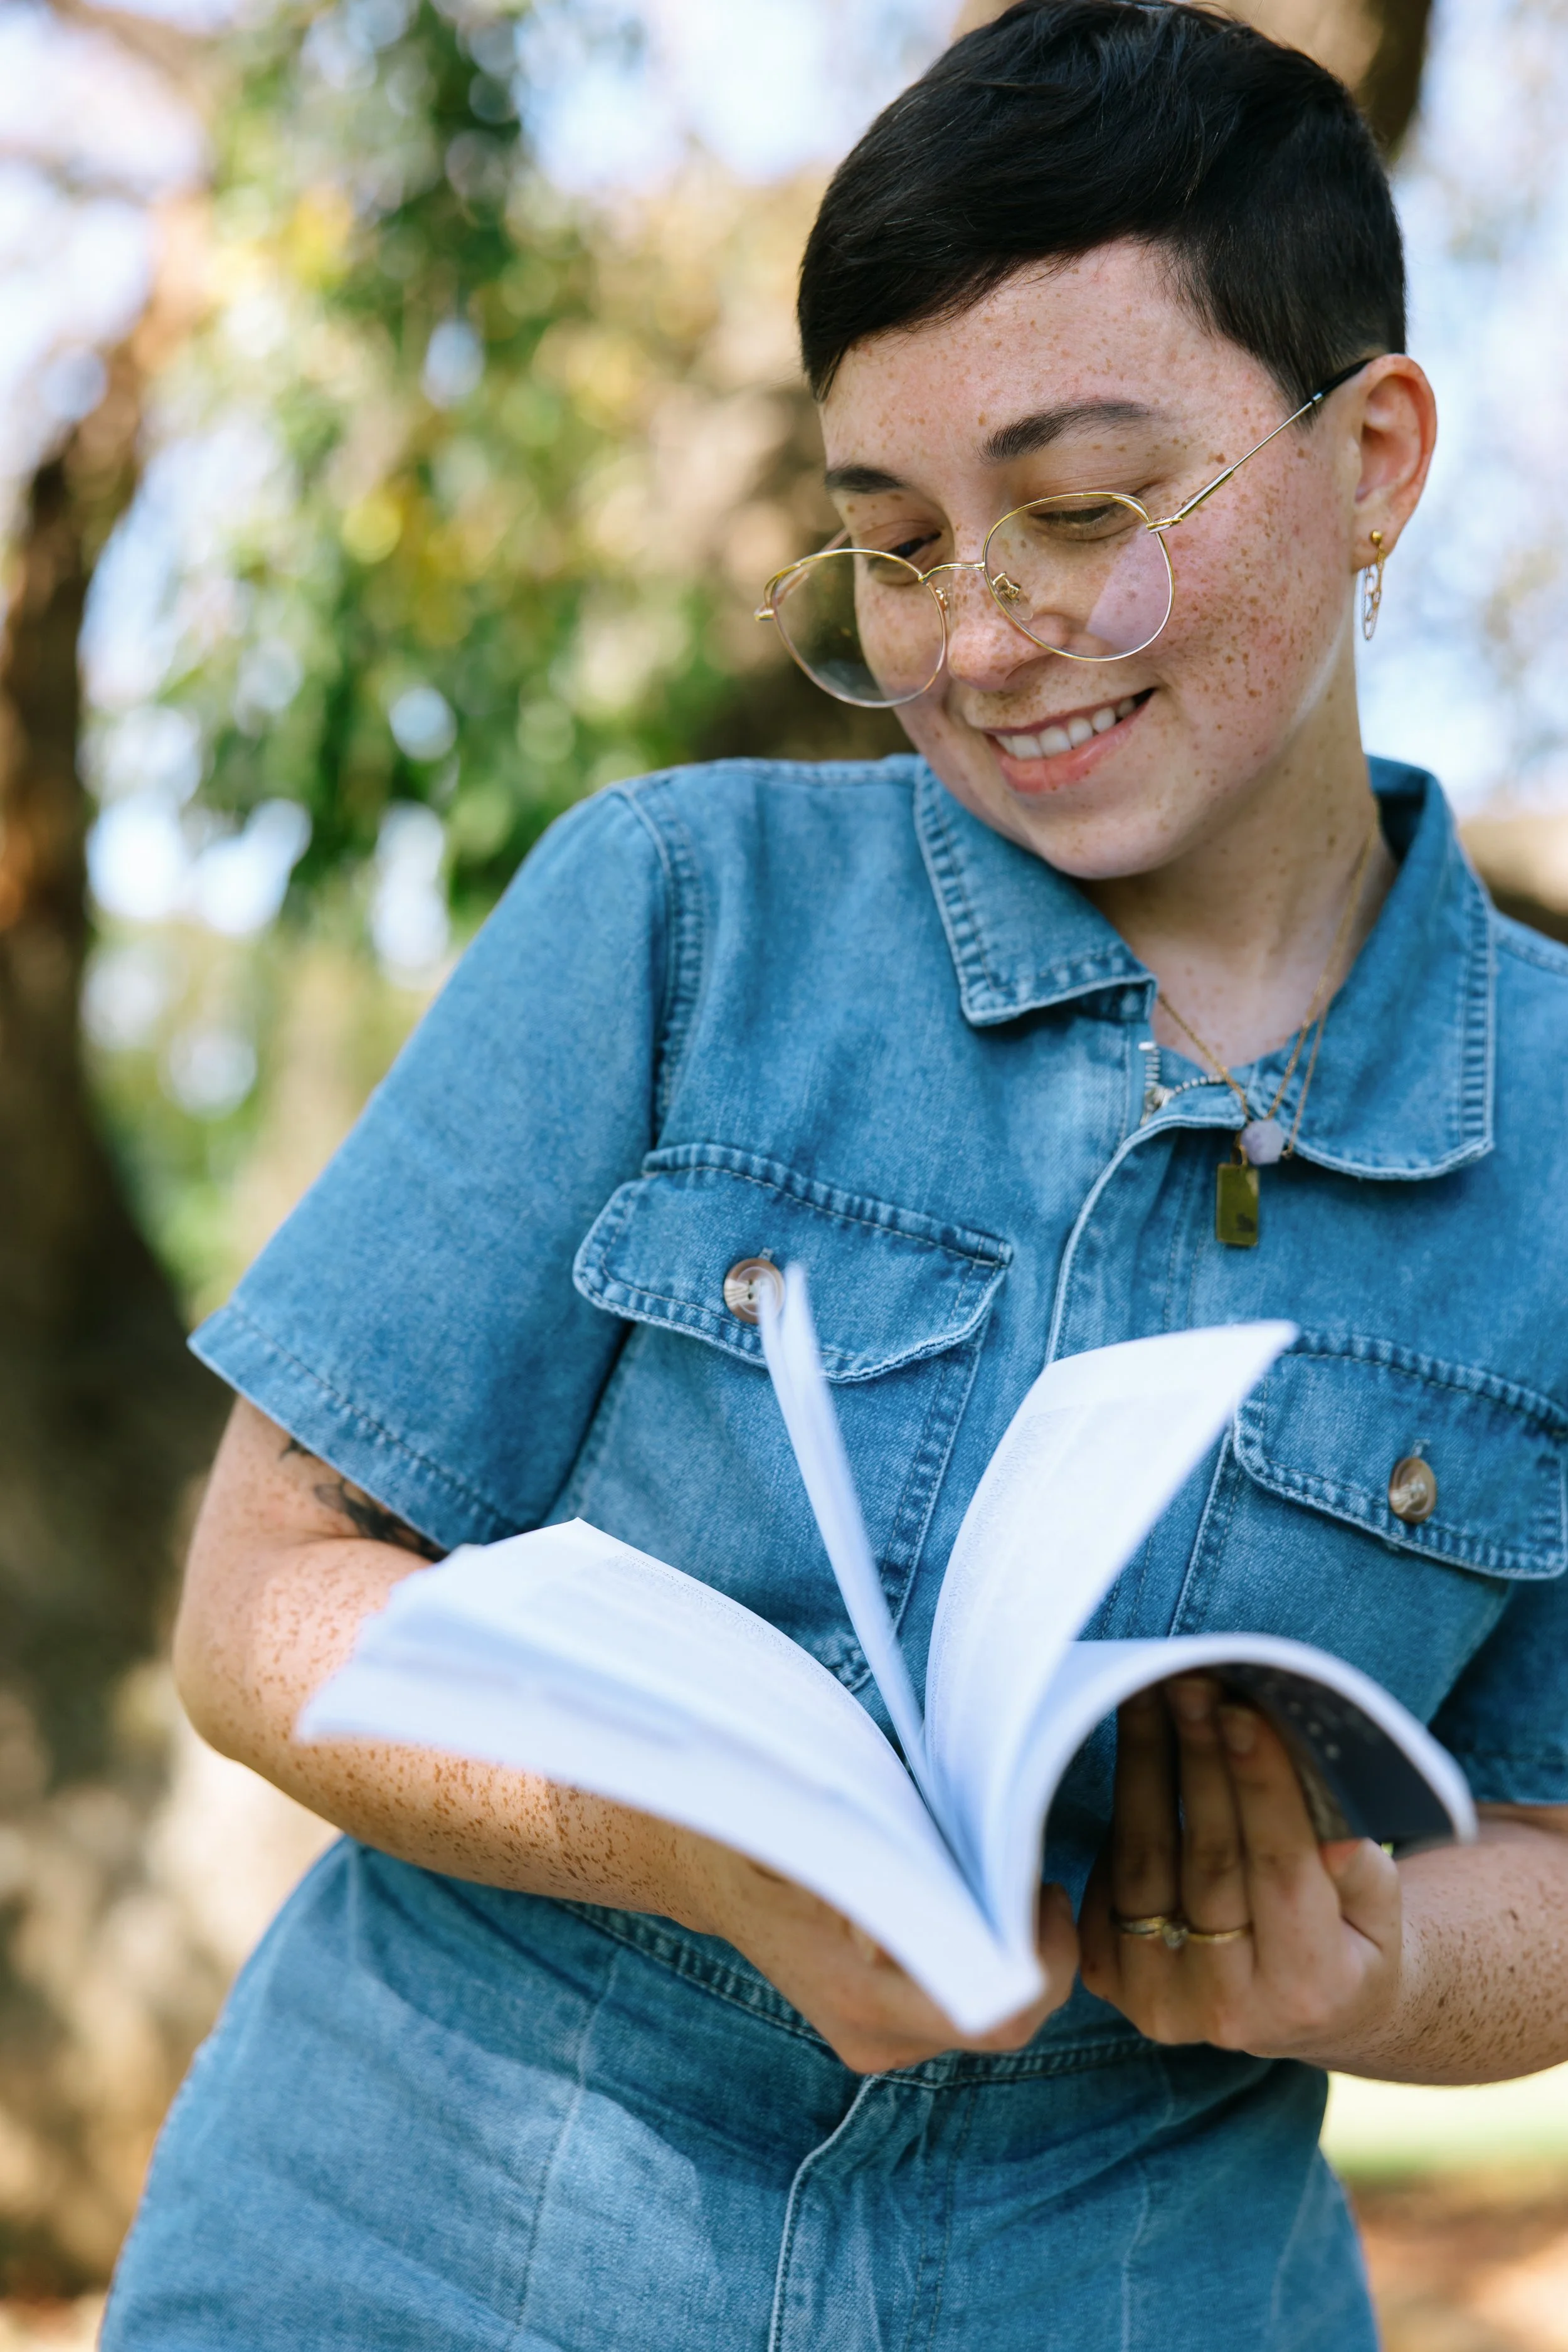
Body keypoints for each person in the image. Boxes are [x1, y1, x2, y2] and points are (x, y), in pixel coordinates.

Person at [103, 6, 1568, 2347]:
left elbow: (1555, 1859)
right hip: (422, 2258)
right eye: (890, 547)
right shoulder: (675, 911)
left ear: (1372, 451)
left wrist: (1377, 1961)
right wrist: (701, 1843)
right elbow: (262, 1600)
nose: (978, 638)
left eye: (1081, 509)